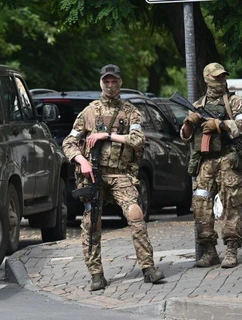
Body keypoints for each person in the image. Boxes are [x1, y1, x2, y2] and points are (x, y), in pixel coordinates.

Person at [62, 64, 164, 291]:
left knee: (136, 216)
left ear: (120, 82)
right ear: (101, 82)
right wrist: (82, 160)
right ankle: (96, 274)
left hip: (120, 175)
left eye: (114, 81)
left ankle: (148, 268)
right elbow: (68, 142)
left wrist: (108, 135)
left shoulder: (130, 112)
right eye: (106, 81)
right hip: (94, 177)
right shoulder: (89, 112)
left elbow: (138, 140)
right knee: (91, 223)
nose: (110, 85)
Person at [180, 63, 242, 268]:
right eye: (216, 77)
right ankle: (210, 251)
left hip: (229, 158)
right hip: (206, 162)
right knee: (201, 206)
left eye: (222, 77)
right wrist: (188, 123)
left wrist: (220, 125)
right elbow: (185, 136)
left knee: (232, 203)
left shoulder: (235, 102)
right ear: (206, 78)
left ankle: (231, 250)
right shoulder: (198, 105)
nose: (220, 81)